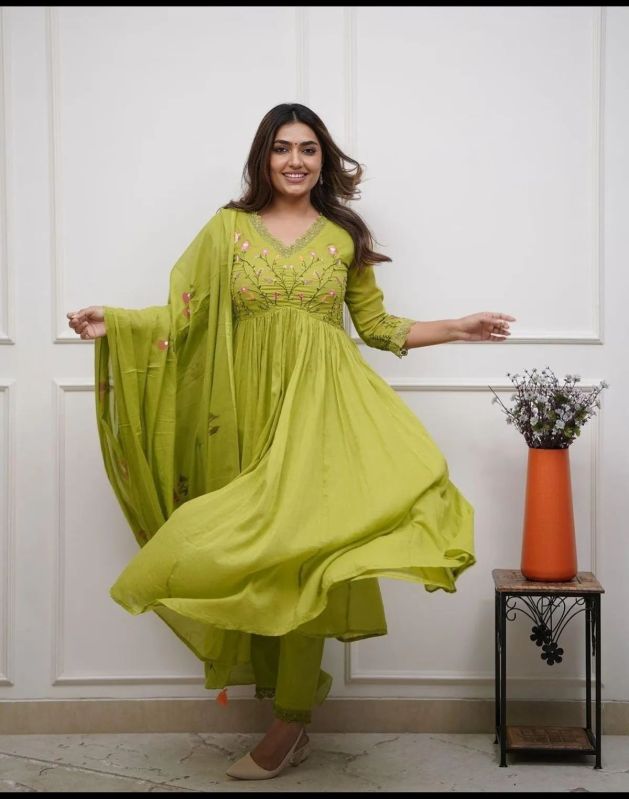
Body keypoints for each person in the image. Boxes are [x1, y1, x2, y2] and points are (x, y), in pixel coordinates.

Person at [67, 102, 515, 781]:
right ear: (263, 157)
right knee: (258, 558)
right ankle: (284, 709)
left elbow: (376, 327)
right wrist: (118, 321)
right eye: (282, 148)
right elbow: (186, 315)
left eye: (308, 148)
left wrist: (456, 326)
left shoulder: (342, 236)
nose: (296, 160)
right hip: (242, 416)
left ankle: (289, 722)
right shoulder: (227, 230)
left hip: (324, 414)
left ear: (323, 159)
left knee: (310, 562)